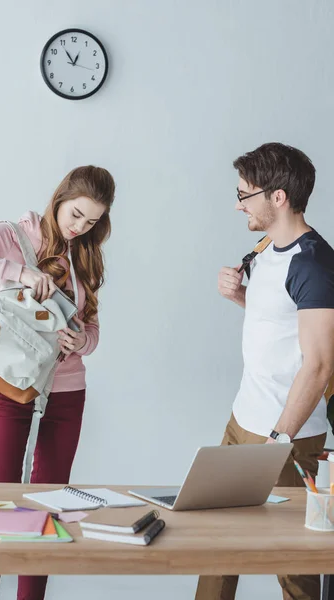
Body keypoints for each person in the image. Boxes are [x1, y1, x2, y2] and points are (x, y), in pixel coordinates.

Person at [0, 165, 115, 600]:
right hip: (12, 386)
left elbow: (91, 330)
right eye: (75, 215)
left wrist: (82, 341)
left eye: (92, 222)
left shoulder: (86, 254)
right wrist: (20, 273)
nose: (80, 228)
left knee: (49, 507)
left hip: (67, 392)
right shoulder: (15, 236)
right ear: (59, 199)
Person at [195, 143, 334, 600]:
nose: (238, 204)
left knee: (291, 561)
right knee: (217, 545)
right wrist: (239, 296)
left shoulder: (311, 263)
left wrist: (279, 439)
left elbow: (318, 365)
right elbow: (278, 326)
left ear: (278, 197)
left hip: (284, 437)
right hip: (242, 422)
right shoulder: (265, 248)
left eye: (245, 194)